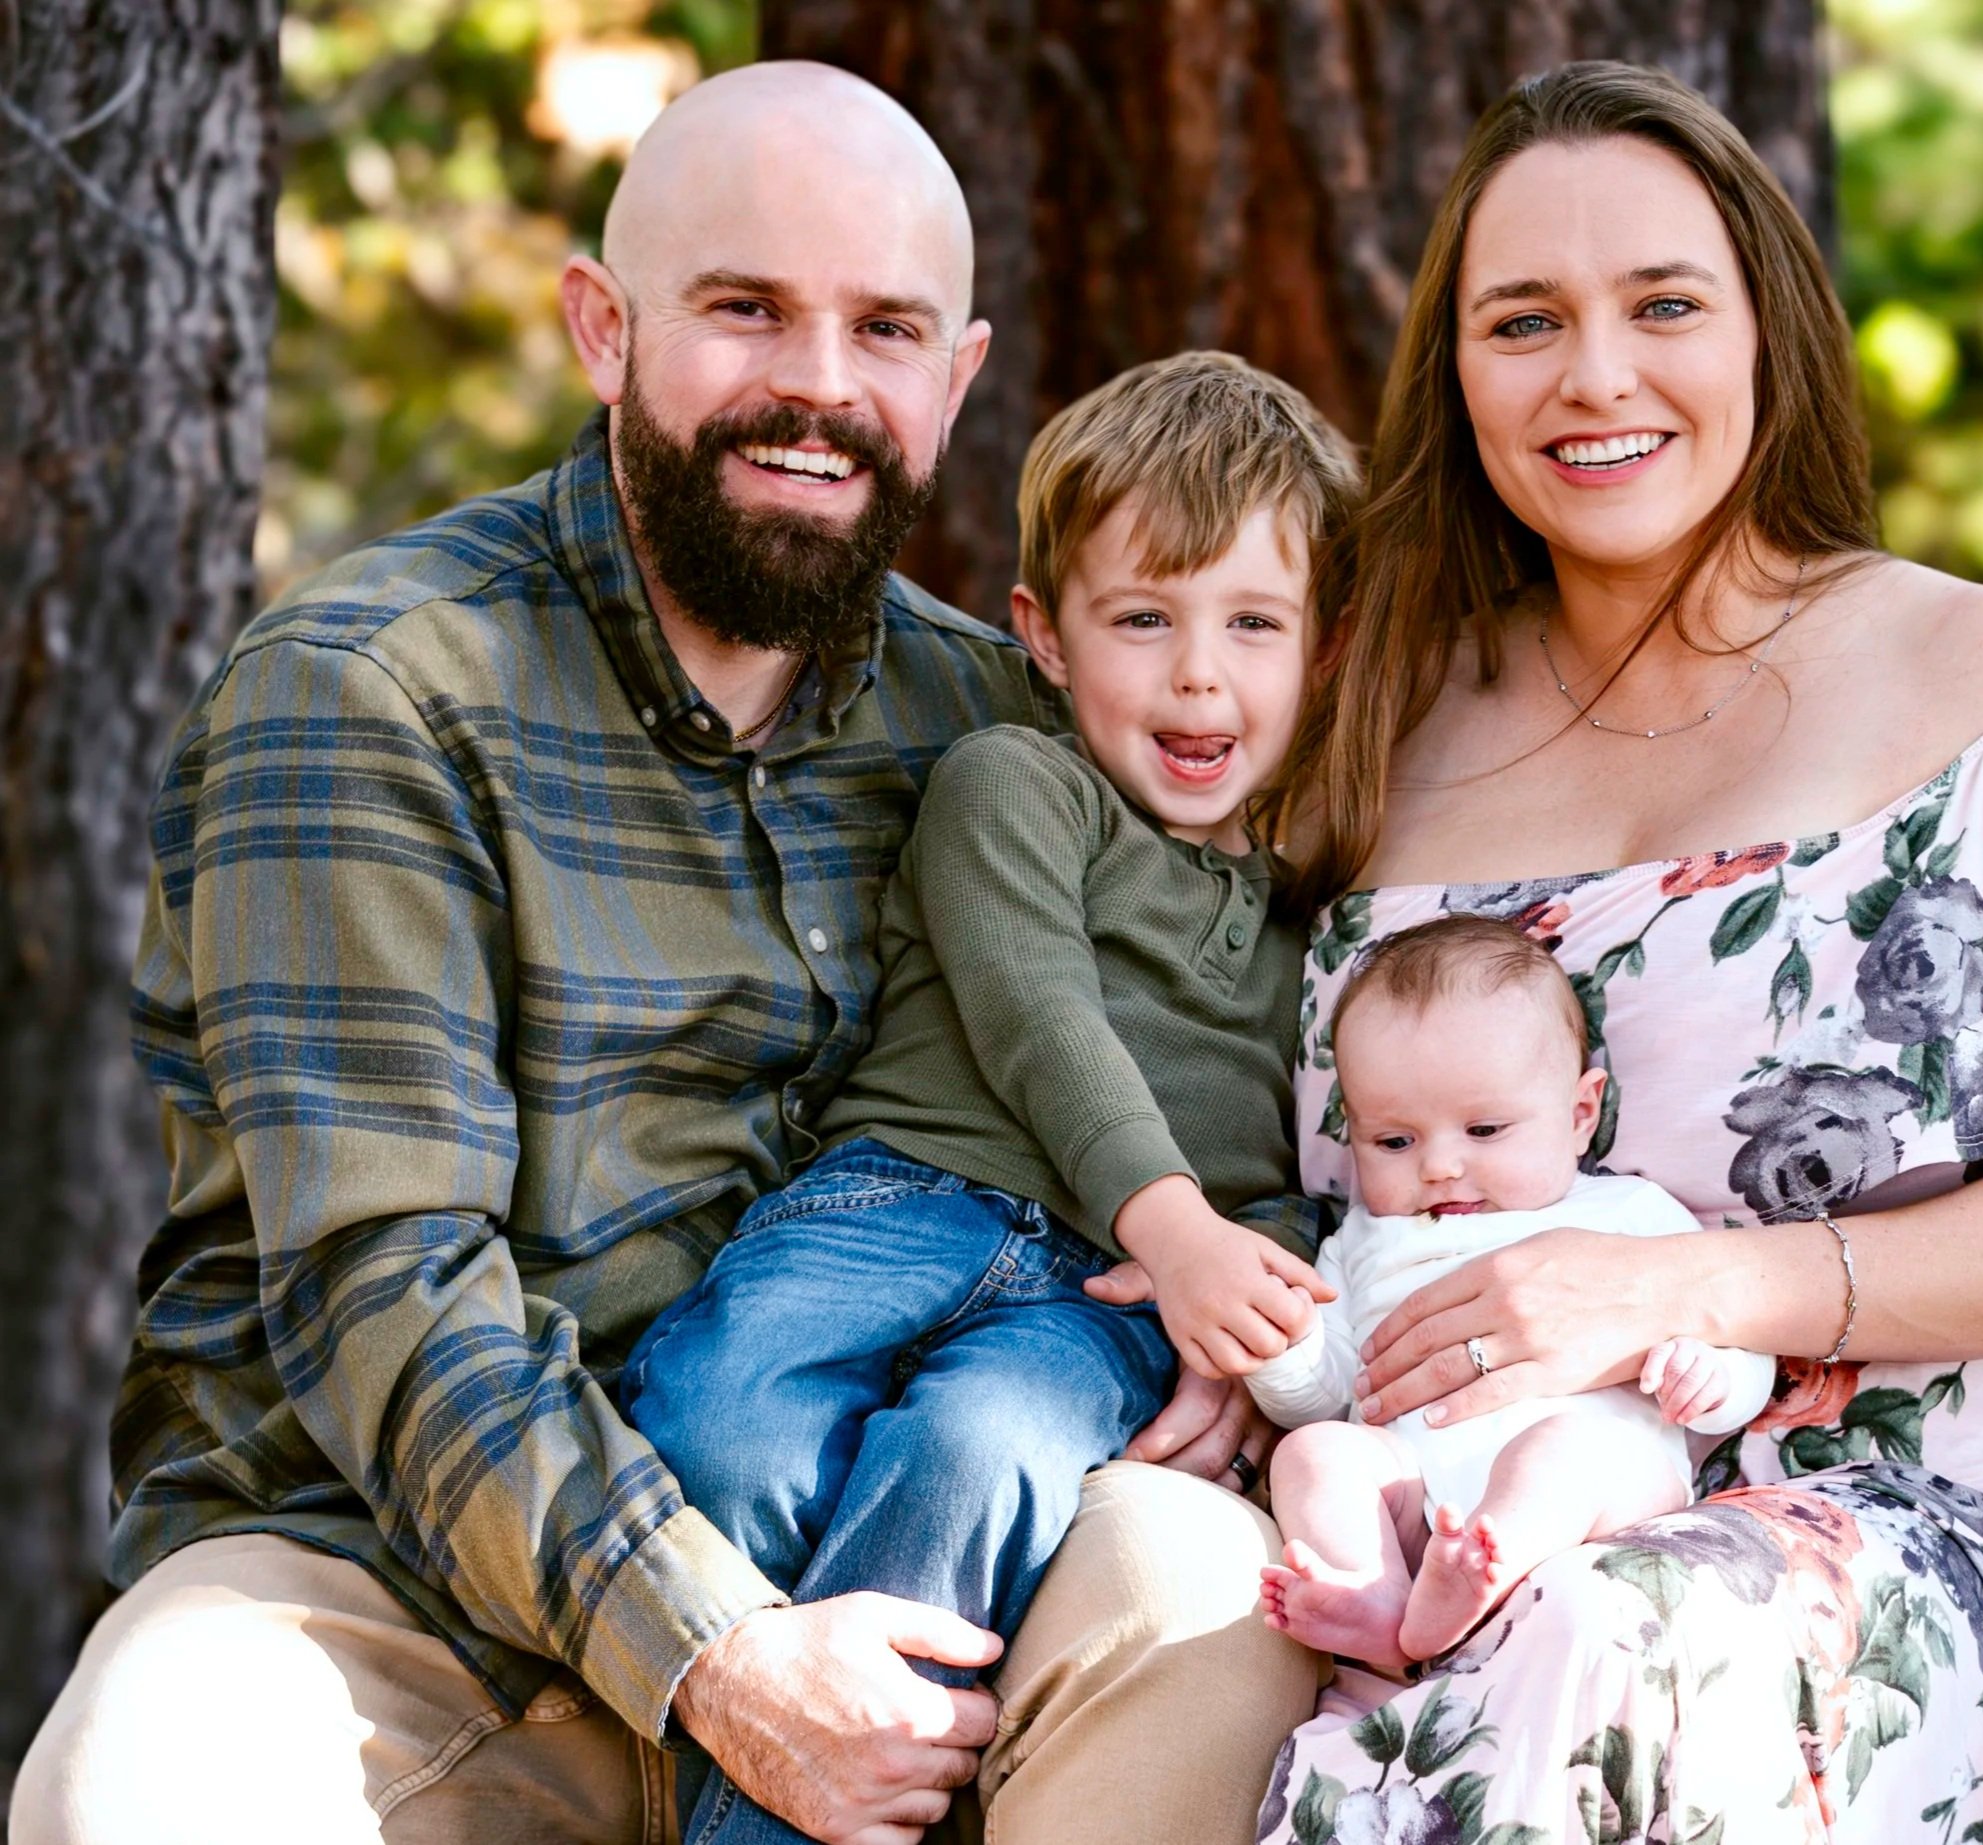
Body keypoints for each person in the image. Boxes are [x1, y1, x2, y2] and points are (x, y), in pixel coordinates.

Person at [12, 66, 1319, 1845]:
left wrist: (1226, 1314)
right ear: (603, 329)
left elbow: (1211, 1006)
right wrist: (715, 1655)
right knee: (145, 1780)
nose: (821, 385)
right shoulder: (370, 691)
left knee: (1203, 1615)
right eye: (746, 309)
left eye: (884, 330)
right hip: (413, 1586)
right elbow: (385, 1289)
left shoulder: (1001, 709)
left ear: (954, 380)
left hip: (903, 1519)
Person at [1244, 59, 1983, 1845]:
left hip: (1900, 1517)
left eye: (1663, 305)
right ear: (1454, 376)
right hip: (1409, 1508)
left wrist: (1684, 1291)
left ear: (1765, 329)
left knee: (1606, 1639)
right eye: (1521, 322)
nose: (1593, 377)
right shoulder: (1367, 729)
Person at [622, 350, 1356, 1844]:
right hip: (896, 1204)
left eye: (1252, 624)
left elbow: (1305, 1165)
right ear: (1043, 636)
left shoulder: (1316, 920)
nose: (1197, 674)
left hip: (1099, 1300)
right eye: (1141, 619)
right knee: (724, 1420)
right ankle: (756, 1738)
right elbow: (1038, 1018)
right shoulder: (1012, 783)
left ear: (1324, 647)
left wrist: (1238, 1302)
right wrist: (1183, 1227)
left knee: (977, 1455)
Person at [1249, 914, 1774, 1674]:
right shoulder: (1362, 1241)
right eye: (1393, 1141)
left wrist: (1712, 1375)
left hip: (1600, 1496)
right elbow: (1327, 1394)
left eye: (1485, 1129)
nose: (1438, 1166)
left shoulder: (1628, 1214)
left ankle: (1485, 1571)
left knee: (1557, 1450)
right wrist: (1283, 1342)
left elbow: (1737, 1333)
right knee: (1313, 1453)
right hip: (1421, 1510)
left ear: (1579, 1115)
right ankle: (1376, 1595)